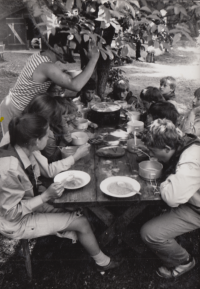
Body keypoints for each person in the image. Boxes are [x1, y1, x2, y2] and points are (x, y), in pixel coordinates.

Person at [0, 114, 121, 272]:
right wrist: (46, 196)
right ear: (36, 140)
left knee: (75, 209)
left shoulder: (26, 149)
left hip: (28, 205)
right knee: (81, 221)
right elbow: (10, 213)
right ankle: (102, 262)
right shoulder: (9, 168)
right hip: (14, 222)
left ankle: (83, 238)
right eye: (47, 134)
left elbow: (32, 183)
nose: (50, 137)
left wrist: (45, 192)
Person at [0, 27, 99, 135]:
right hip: (13, 109)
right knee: (11, 146)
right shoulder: (46, 66)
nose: (71, 53)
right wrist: (93, 60)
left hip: (20, 108)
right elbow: (75, 85)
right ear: (56, 47)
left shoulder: (41, 56)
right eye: (69, 49)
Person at [140, 119, 200, 279]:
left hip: (196, 209)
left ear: (167, 148)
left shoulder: (189, 162)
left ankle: (184, 261)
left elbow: (172, 198)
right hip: (192, 198)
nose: (151, 155)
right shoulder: (180, 139)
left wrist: (166, 182)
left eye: (153, 151)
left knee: (150, 233)